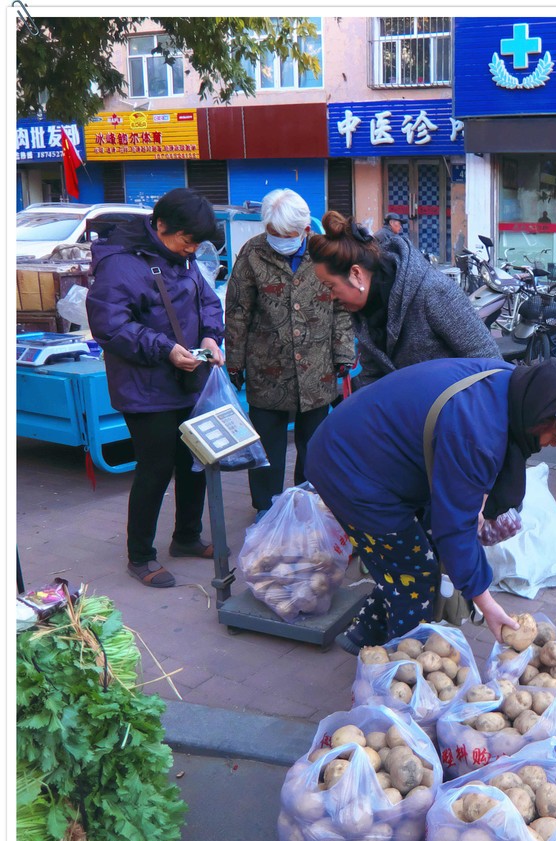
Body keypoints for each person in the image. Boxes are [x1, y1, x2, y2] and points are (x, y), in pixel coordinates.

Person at [305, 357, 556, 650]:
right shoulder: (477, 431)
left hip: (370, 453)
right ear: (540, 413)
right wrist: (486, 603)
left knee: (413, 553)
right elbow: (454, 527)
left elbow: (467, 488)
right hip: (349, 471)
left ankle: (364, 636)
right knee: (416, 575)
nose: (554, 444)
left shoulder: (511, 386)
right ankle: (404, 670)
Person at [85, 187, 226, 588]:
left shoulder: (182, 259)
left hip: (188, 378)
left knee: (195, 460)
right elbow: (111, 326)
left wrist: (212, 337)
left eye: (197, 243)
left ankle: (186, 537)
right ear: (161, 225)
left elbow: (207, 302)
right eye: (187, 240)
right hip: (145, 387)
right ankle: (140, 556)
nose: (192, 249)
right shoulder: (120, 265)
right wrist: (165, 350)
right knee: (156, 467)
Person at [224, 189, 356, 523]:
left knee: (314, 443)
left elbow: (342, 308)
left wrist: (343, 350)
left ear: (305, 230)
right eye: (274, 233)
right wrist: (235, 360)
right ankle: (266, 507)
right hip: (266, 365)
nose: (280, 240)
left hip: (318, 366)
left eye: (288, 235)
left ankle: (308, 500)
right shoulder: (252, 253)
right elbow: (238, 309)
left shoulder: (325, 253)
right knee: (267, 445)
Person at [307, 211, 500, 389]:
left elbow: (489, 363)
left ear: (356, 274)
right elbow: (373, 376)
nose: (330, 297)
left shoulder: (431, 291)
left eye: (331, 287)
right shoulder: (366, 311)